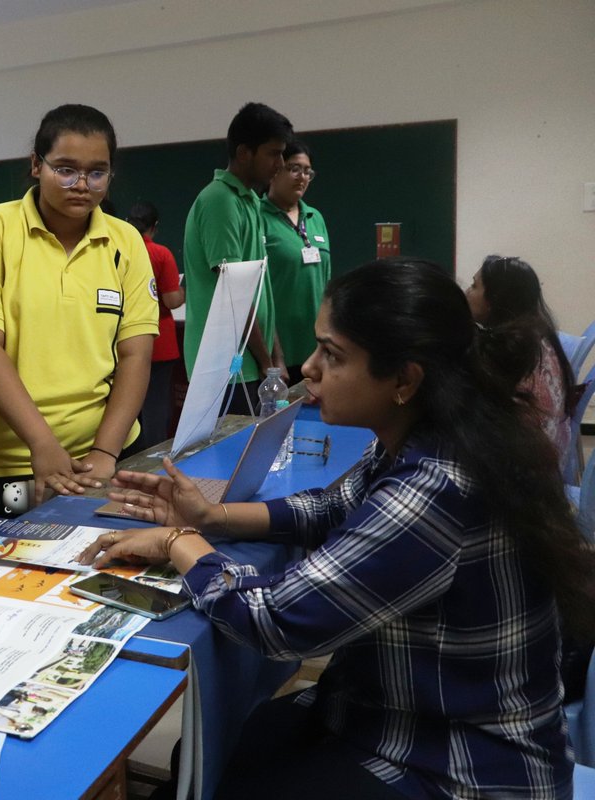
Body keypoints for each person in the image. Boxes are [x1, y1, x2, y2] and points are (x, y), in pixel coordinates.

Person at [79, 259, 594, 799]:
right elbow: (332, 506)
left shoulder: (434, 490)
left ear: (404, 379)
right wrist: (212, 517)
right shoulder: (438, 432)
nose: (307, 367)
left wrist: (178, 541)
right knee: (210, 753)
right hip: (398, 710)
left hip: (458, 765)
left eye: (333, 354)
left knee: (222, 768)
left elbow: (273, 621)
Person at [0, 104, 158, 516]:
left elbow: (136, 354)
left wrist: (104, 452)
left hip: (104, 455)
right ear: (35, 165)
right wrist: (42, 444)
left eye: (97, 172)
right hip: (3, 463)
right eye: (65, 169)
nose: (82, 184)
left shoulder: (126, 241)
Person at [183, 102, 292, 414]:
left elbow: (258, 291)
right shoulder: (220, 201)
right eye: (273, 153)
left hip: (252, 362)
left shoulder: (251, 202)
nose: (280, 164)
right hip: (226, 368)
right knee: (229, 460)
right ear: (245, 153)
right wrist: (268, 362)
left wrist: (276, 358)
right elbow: (234, 295)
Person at [465, 254, 574, 459]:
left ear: (494, 299)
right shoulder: (537, 334)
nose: (467, 292)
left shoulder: (509, 349)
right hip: (547, 465)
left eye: (474, 286)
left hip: (522, 474)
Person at [261, 140, 330, 385]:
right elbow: (256, 295)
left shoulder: (315, 217)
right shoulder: (258, 218)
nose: (302, 177)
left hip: (318, 352)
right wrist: (273, 357)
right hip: (280, 357)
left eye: (307, 171)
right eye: (294, 169)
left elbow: (326, 284)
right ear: (275, 170)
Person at [126, 201, 184, 447]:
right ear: (155, 227)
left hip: (124, 340)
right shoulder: (161, 253)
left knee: (128, 404)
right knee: (156, 406)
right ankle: (155, 460)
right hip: (159, 341)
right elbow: (172, 300)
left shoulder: (119, 249)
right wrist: (184, 290)